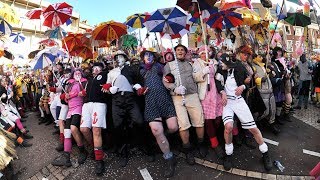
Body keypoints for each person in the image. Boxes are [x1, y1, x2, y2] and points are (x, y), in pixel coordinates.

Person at [215, 54, 272, 171]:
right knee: (228, 127)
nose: (220, 65)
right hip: (227, 103)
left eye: (222, 63)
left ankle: (265, 153)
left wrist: (242, 86)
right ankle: (228, 154)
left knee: (253, 129)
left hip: (239, 101)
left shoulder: (239, 67)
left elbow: (249, 81)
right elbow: (217, 83)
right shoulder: (220, 70)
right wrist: (222, 92)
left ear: (227, 62)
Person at [163, 44, 207, 165]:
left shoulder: (190, 64)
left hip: (192, 95)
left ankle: (201, 144)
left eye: (182, 50)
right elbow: (165, 80)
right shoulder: (169, 65)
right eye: (178, 50)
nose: (180, 51)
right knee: (183, 125)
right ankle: (188, 150)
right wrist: (174, 88)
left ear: (185, 52)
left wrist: (204, 72)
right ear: (175, 52)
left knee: (199, 122)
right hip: (178, 98)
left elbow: (195, 77)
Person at [140, 48, 178, 178]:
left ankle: (161, 139)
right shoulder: (140, 70)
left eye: (150, 55)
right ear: (143, 58)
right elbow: (136, 85)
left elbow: (172, 76)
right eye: (146, 55)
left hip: (165, 100)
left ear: (154, 57)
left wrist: (169, 77)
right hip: (150, 102)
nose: (148, 57)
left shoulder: (160, 67)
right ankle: (169, 158)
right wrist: (139, 90)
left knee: (173, 127)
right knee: (156, 130)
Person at [104, 51, 144, 167]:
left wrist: (138, 86)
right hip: (117, 100)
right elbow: (107, 85)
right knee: (118, 126)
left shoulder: (131, 69)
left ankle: (140, 144)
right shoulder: (111, 72)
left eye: (120, 57)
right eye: (116, 57)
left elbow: (139, 81)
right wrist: (110, 89)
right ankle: (123, 152)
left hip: (130, 99)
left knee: (139, 121)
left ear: (125, 58)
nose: (118, 59)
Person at [52, 69, 88, 167]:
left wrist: (84, 92)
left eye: (79, 73)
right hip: (70, 110)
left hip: (79, 108)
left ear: (81, 74)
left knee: (73, 128)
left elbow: (88, 93)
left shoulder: (84, 82)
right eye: (75, 73)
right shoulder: (70, 84)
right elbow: (66, 99)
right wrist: (66, 97)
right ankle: (66, 158)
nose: (77, 74)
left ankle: (83, 151)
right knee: (67, 132)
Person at [192, 49, 224, 157]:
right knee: (209, 120)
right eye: (201, 53)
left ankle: (213, 136)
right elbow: (195, 77)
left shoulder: (214, 62)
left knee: (218, 118)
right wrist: (203, 72)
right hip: (205, 93)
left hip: (216, 92)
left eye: (205, 53)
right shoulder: (196, 63)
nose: (203, 55)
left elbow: (220, 72)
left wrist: (220, 77)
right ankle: (214, 143)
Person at [80, 62, 108, 176]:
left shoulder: (106, 74)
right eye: (94, 68)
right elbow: (86, 92)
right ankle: (96, 149)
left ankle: (99, 160)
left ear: (102, 68)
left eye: (98, 68)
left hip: (99, 103)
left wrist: (109, 85)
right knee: (84, 129)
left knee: (96, 130)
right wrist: (82, 93)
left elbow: (111, 82)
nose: (95, 69)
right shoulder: (89, 80)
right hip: (87, 105)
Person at [252, 54, 280, 135]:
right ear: (255, 57)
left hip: (270, 90)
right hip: (262, 91)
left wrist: (270, 74)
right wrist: (260, 80)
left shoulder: (264, 66)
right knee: (265, 111)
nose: (262, 58)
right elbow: (254, 78)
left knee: (273, 109)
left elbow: (267, 77)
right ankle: (257, 123)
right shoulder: (253, 66)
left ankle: (271, 123)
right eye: (260, 56)